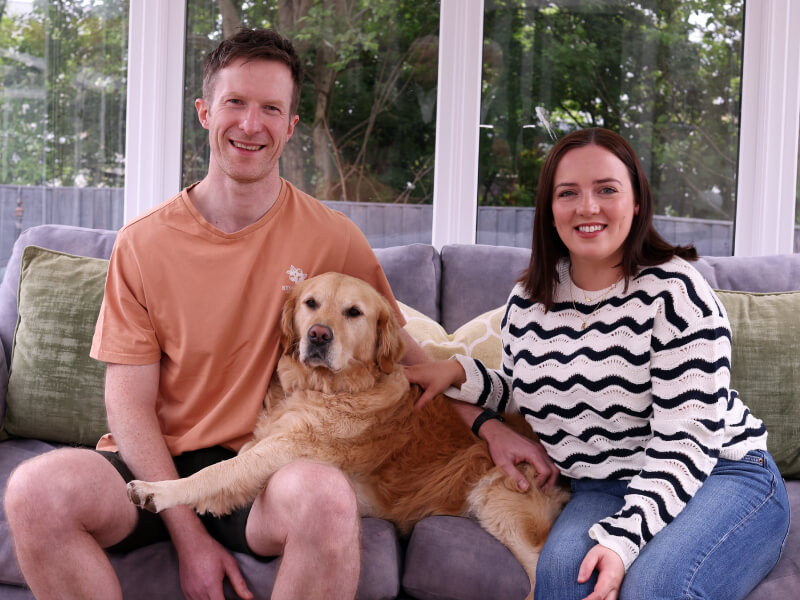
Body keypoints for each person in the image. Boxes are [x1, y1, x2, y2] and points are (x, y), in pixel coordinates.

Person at [5, 28, 441, 600]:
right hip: (154, 465)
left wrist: (487, 424)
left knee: (326, 496)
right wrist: (190, 539)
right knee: (34, 490)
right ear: (205, 111)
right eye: (235, 102)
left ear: (290, 126)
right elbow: (129, 403)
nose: (250, 124)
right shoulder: (143, 244)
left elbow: (403, 358)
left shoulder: (333, 239)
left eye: (271, 109)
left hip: (261, 473)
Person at [406, 127, 790, 600]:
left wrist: (623, 541)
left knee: (653, 588)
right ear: (550, 211)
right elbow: (536, 390)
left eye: (606, 189)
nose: (587, 207)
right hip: (602, 485)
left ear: (635, 202)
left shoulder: (675, 294)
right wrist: (463, 375)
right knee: (562, 584)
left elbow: (687, 438)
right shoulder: (526, 303)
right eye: (568, 193)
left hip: (717, 472)